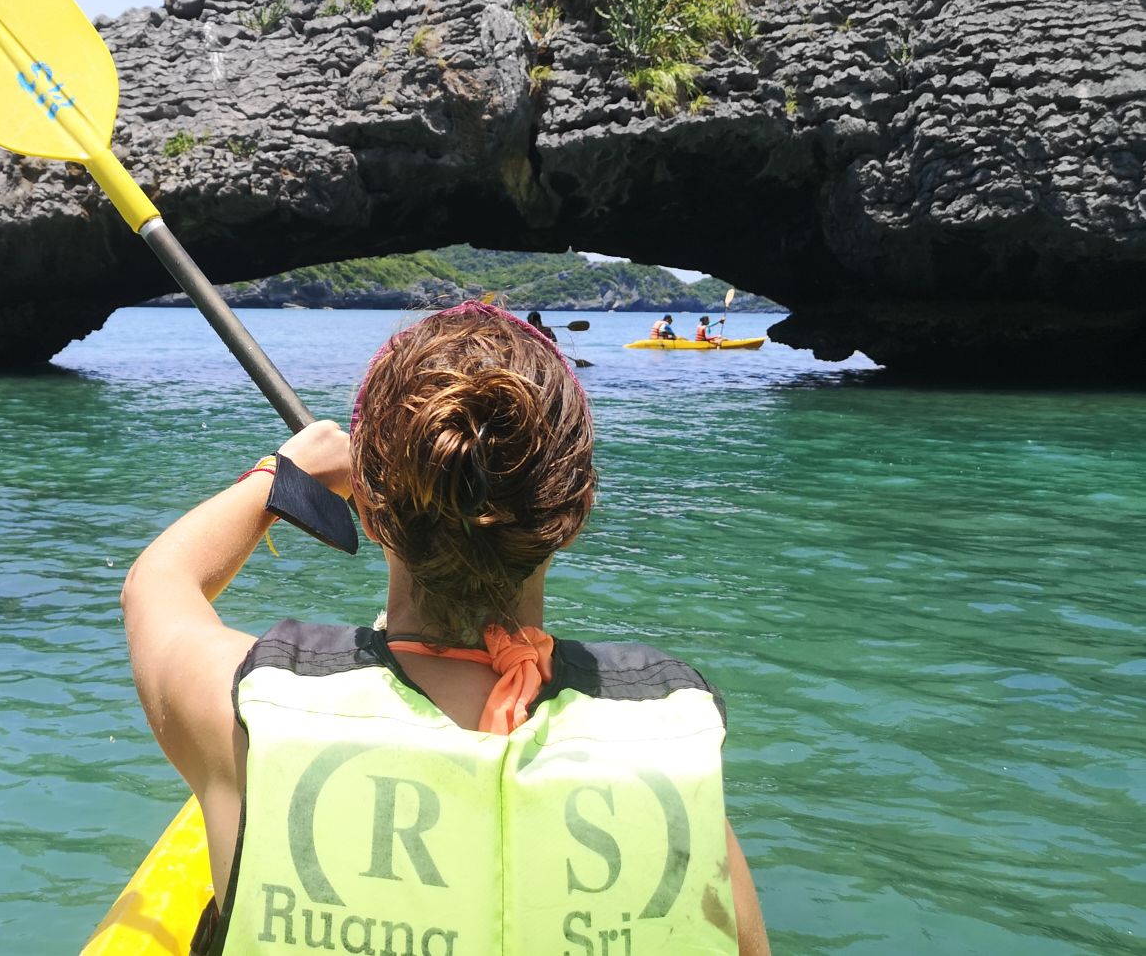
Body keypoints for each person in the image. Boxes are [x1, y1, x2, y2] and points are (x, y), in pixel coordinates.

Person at [122, 301, 768, 955]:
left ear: (371, 513)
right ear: (573, 513)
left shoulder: (247, 721)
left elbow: (157, 584)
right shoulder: (673, 751)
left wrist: (279, 477)